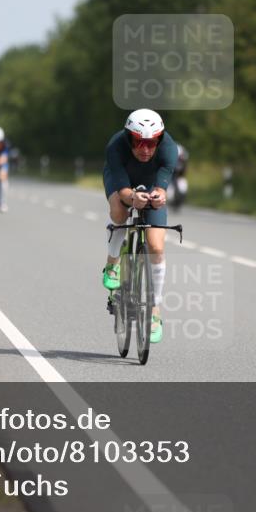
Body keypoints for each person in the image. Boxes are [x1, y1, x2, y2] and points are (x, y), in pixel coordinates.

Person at [101, 109, 178, 344]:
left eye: (151, 143)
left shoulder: (169, 149)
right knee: (119, 212)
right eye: (138, 142)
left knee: (156, 246)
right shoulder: (116, 146)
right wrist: (132, 198)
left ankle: (154, 312)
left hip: (151, 183)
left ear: (159, 139)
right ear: (128, 137)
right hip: (122, 181)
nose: (145, 149)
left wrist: (159, 197)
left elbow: (162, 188)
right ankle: (112, 264)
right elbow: (123, 190)